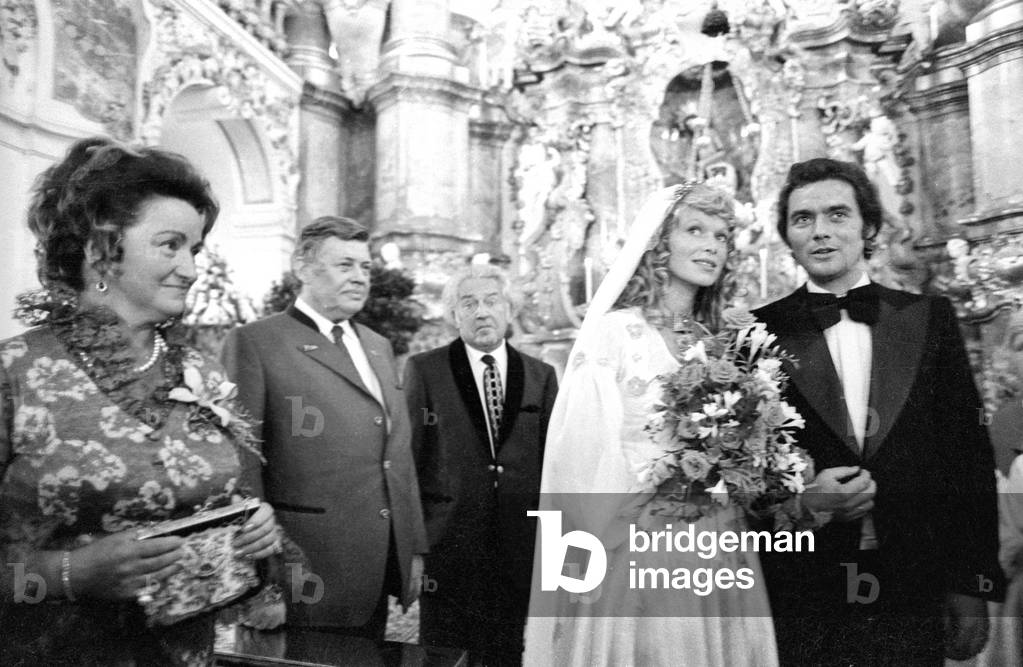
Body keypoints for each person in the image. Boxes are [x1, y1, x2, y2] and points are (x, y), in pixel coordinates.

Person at [0, 136, 281, 665]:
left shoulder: (201, 371)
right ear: (100, 249)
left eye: (195, 249)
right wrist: (71, 573)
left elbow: (218, 501)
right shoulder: (15, 373)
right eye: (169, 245)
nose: (192, 270)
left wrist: (250, 526)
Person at [752, 157, 1003, 665]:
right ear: (788, 235)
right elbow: (740, 477)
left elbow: (966, 456)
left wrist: (970, 584)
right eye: (803, 219)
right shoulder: (753, 334)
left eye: (837, 214)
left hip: (915, 577)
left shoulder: (929, 318)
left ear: (868, 225)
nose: (820, 231)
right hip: (801, 586)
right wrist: (804, 506)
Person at [524, 183, 779, 666]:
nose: (711, 245)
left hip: (719, 539)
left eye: (723, 236)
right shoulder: (615, 332)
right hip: (635, 541)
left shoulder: (721, 342)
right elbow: (578, 449)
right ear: (660, 242)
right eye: (695, 230)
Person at [221, 216, 427, 639]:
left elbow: (396, 455)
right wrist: (258, 585)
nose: (359, 277)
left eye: (365, 268)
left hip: (373, 569)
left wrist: (413, 548)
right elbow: (239, 466)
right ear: (302, 267)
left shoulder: (377, 345)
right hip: (302, 577)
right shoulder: (257, 342)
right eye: (345, 265)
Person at [403, 264, 558, 664]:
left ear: (510, 309)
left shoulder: (540, 376)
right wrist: (414, 549)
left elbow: (552, 465)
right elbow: (409, 462)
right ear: (454, 314)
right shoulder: (425, 370)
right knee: (444, 655)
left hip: (520, 547)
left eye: (492, 301)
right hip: (448, 547)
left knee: (509, 653)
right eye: (468, 304)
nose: (481, 312)